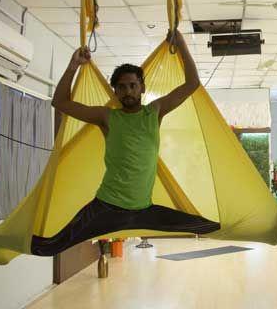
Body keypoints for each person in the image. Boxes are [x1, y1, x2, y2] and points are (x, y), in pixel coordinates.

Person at [31, 30, 219, 256]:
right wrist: (73, 66)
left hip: (143, 210)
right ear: (116, 91)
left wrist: (181, 43)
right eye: (121, 87)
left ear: (142, 88)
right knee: (49, 246)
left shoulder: (154, 112)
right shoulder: (107, 117)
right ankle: (12, 241)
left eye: (133, 85)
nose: (128, 91)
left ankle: (245, 225)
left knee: (209, 226)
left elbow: (192, 84)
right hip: (106, 208)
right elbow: (60, 102)